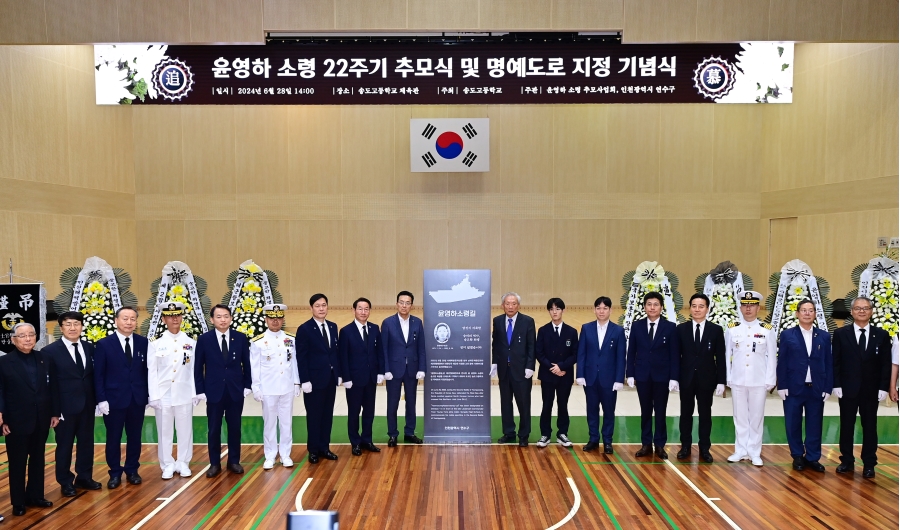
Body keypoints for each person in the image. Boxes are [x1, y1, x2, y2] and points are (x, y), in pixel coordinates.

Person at [0, 323, 57, 517]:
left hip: (41, 419)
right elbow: (1, 392)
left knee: (38, 460)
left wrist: (54, 413)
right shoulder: (4, 362)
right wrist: (2, 420)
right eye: (22, 336)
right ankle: (18, 502)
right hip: (15, 421)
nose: (27, 339)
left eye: (31, 335)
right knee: (17, 463)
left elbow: (52, 389)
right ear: (14, 339)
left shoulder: (44, 359)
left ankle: (36, 496)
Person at [832, 296, 893, 478]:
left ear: (871, 312)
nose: (861, 311)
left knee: (869, 427)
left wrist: (883, 387)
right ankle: (847, 461)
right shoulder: (841, 334)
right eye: (858, 308)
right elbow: (835, 362)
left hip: (871, 391)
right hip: (848, 389)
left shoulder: (881, 335)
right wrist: (836, 384)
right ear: (851, 312)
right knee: (847, 426)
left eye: (865, 308)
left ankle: (869, 463)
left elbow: (885, 364)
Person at [44, 311, 102, 497]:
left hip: (87, 405)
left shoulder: (89, 347)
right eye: (68, 324)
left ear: (82, 326)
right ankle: (65, 481)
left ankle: (84, 477)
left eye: (76, 324)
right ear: (61, 328)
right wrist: (54, 411)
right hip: (64, 409)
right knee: (64, 445)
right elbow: (49, 384)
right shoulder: (50, 351)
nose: (72, 327)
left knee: (86, 443)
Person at [194, 304, 252, 477]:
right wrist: (200, 389)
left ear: (231, 318)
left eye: (226, 316)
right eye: (219, 316)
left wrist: (247, 385)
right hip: (214, 391)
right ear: (212, 319)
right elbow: (198, 367)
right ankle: (214, 463)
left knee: (235, 427)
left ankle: (234, 461)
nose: (223, 319)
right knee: (213, 429)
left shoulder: (240, 338)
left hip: (235, 391)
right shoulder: (204, 339)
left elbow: (247, 364)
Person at [94, 306, 148, 489]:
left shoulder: (143, 342)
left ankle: (132, 470)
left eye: (133, 319)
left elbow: (147, 372)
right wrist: (101, 399)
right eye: (125, 318)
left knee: (135, 437)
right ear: (116, 321)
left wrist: (148, 395)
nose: (129, 322)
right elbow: (98, 375)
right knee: (113, 437)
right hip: (113, 400)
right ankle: (115, 472)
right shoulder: (104, 344)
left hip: (137, 399)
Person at [776, 299, 833, 473]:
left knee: (815, 424)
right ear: (797, 313)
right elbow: (782, 361)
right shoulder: (787, 335)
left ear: (815, 314)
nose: (807, 313)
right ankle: (798, 456)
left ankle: (813, 457)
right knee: (792, 423)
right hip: (793, 387)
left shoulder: (823, 336)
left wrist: (827, 387)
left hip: (816, 387)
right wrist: (782, 385)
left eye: (811, 310)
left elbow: (828, 363)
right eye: (804, 310)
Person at [725, 291, 776, 466]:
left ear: (758, 308)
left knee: (756, 417)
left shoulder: (766, 330)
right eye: (745, 305)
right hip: (738, 379)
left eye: (752, 305)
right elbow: (727, 355)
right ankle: (740, 450)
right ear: (740, 307)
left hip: (759, 380)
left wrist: (770, 379)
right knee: (739, 417)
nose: (748, 308)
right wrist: (728, 377)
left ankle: (754, 451)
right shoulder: (732, 329)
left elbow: (772, 356)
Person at [626, 292, 679, 459]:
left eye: (656, 304)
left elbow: (674, 354)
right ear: (644, 307)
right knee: (646, 411)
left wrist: (673, 377)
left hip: (662, 377)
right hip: (642, 376)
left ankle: (660, 445)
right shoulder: (637, 326)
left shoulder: (670, 327)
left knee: (661, 411)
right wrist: (630, 374)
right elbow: (631, 351)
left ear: (661, 307)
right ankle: (646, 444)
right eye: (649, 304)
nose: (652, 307)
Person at [147, 302, 196, 480]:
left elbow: (193, 371)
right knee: (164, 431)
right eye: (170, 315)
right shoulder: (155, 344)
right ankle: (167, 463)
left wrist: (194, 392)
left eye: (177, 315)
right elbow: (152, 371)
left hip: (184, 392)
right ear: (163, 319)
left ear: (182, 317)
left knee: (185, 430)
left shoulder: (191, 342)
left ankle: (183, 462)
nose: (174, 318)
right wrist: (154, 396)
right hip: (163, 394)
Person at [675, 294, 726, 463]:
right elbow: (676, 356)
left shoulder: (716, 330)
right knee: (685, 414)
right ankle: (685, 446)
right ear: (690, 308)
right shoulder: (681, 329)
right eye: (694, 306)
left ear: (707, 309)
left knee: (705, 414)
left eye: (701, 306)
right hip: (686, 379)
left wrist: (721, 381)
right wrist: (674, 378)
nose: (697, 309)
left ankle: (705, 448)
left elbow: (721, 357)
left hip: (707, 379)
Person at [250, 304, 301, 470]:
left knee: (286, 423)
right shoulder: (257, 342)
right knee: (270, 423)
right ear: (266, 320)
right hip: (268, 389)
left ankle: (286, 454)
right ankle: (270, 455)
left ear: (283, 319)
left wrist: (296, 382)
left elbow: (294, 362)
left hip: (286, 387)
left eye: (278, 317)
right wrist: (256, 387)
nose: (275, 321)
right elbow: (254, 366)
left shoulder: (290, 339)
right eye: (272, 318)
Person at [576, 296, 626, 454]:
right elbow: (581, 353)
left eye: (605, 308)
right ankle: (593, 439)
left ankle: (608, 441)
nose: (601, 311)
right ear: (594, 310)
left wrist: (619, 379)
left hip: (609, 380)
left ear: (610, 310)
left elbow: (620, 357)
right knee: (592, 410)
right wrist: (580, 374)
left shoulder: (618, 330)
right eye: (598, 308)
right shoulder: (586, 328)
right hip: (590, 378)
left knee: (609, 411)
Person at [296, 294, 341, 463]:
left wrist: (338, 373)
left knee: (327, 415)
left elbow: (334, 353)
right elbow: (301, 357)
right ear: (311, 308)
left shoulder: (332, 326)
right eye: (317, 306)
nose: (321, 308)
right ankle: (313, 450)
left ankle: (324, 447)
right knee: (314, 416)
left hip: (330, 379)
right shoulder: (305, 329)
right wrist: (304, 380)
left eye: (324, 305)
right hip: (313, 382)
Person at [339, 297, 385, 456]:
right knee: (354, 412)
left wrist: (380, 372)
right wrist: (346, 378)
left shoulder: (374, 328)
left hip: (371, 378)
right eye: (360, 309)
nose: (363, 312)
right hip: (354, 380)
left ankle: (367, 440)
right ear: (354, 311)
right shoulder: (345, 331)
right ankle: (355, 442)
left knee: (369, 412)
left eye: (366, 309)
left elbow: (379, 352)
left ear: (369, 311)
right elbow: (343, 357)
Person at [490, 292, 536, 447]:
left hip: (521, 370)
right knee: (505, 403)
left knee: (523, 404)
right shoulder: (497, 321)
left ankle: (524, 434)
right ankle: (509, 432)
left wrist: (530, 366)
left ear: (518, 305)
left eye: (514, 303)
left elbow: (531, 346)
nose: (510, 306)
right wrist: (494, 362)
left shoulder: (528, 321)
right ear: (503, 305)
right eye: (507, 303)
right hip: (504, 370)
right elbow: (496, 344)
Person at [381, 291, 426, 446]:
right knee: (392, 403)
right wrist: (385, 369)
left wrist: (422, 368)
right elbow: (384, 349)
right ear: (396, 304)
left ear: (411, 305)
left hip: (412, 370)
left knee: (411, 402)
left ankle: (409, 432)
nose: (404, 305)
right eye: (401, 302)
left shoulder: (417, 322)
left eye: (408, 303)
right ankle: (393, 434)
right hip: (393, 370)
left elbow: (421, 348)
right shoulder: (388, 323)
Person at [536, 298, 578, 448]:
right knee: (547, 404)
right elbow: (539, 353)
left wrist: (561, 367)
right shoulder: (542, 330)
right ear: (548, 311)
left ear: (563, 311)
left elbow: (575, 354)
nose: (555, 312)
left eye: (558, 309)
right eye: (552, 309)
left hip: (565, 375)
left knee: (563, 404)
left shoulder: (572, 332)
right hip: (548, 374)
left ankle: (562, 433)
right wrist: (552, 368)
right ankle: (545, 434)